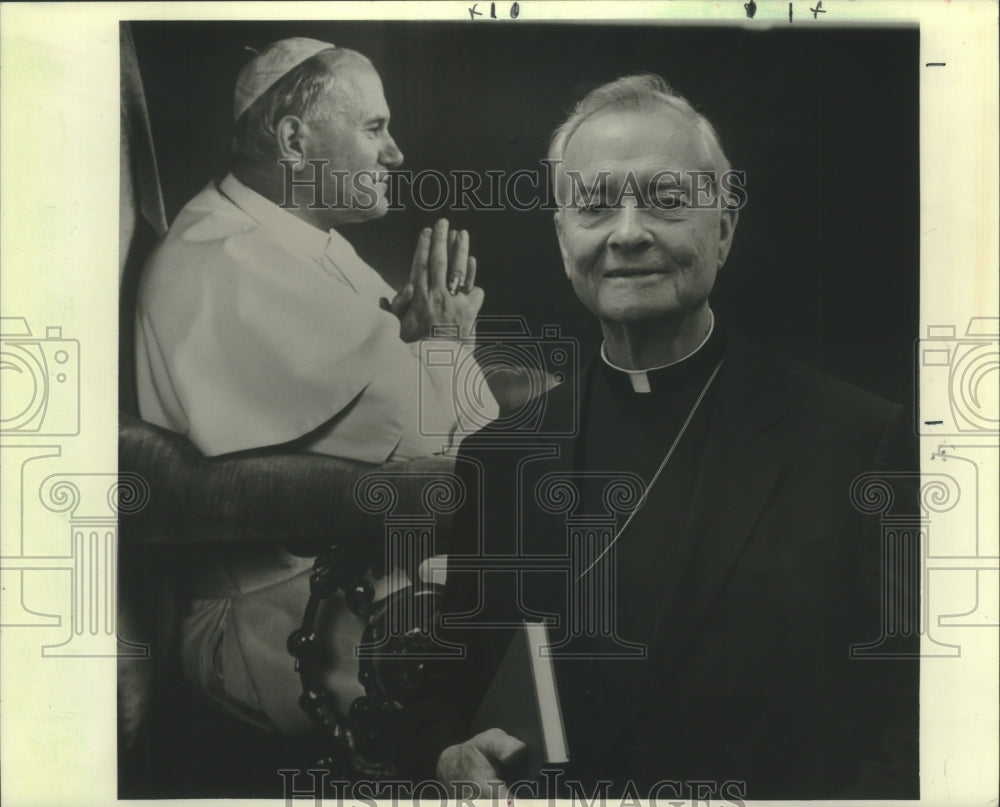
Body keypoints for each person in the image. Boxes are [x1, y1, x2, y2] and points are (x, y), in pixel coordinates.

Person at [403, 74, 919, 800]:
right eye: (595, 205)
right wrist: (448, 756)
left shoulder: (859, 439)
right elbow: (443, 697)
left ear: (725, 227)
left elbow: (911, 718)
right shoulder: (500, 455)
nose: (628, 231)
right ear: (562, 238)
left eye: (667, 199)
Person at [134, 38, 498, 735]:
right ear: (295, 139)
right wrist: (445, 347)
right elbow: (428, 445)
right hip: (274, 619)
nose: (395, 155)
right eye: (374, 128)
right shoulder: (224, 260)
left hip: (357, 573)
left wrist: (442, 349)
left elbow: (464, 426)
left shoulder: (301, 237)